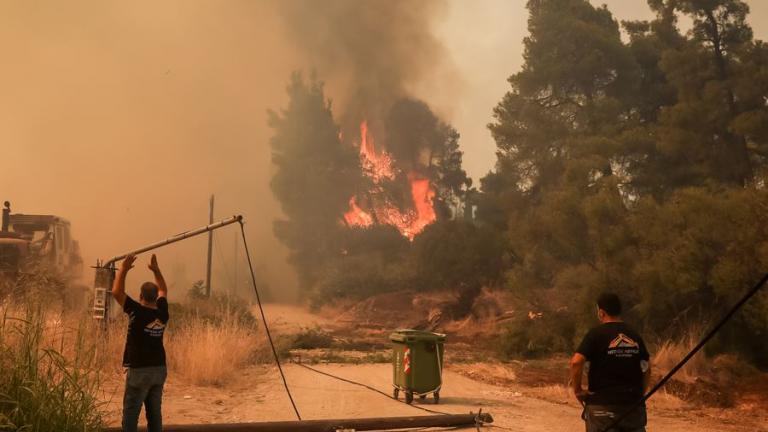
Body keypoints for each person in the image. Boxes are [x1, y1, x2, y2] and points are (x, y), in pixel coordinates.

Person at [569, 293, 651, 432]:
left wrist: (578, 391)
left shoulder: (595, 334)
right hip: (633, 408)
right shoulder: (634, 334)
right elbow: (647, 368)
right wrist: (639, 394)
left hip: (602, 409)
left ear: (601, 312)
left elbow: (576, 362)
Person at [111, 253, 169, 432]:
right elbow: (164, 290)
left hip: (139, 371)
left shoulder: (136, 311)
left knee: (130, 416)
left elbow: (116, 292)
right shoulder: (162, 313)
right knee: (154, 415)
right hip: (159, 369)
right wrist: (156, 271)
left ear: (140, 296)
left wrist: (123, 269)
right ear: (155, 298)